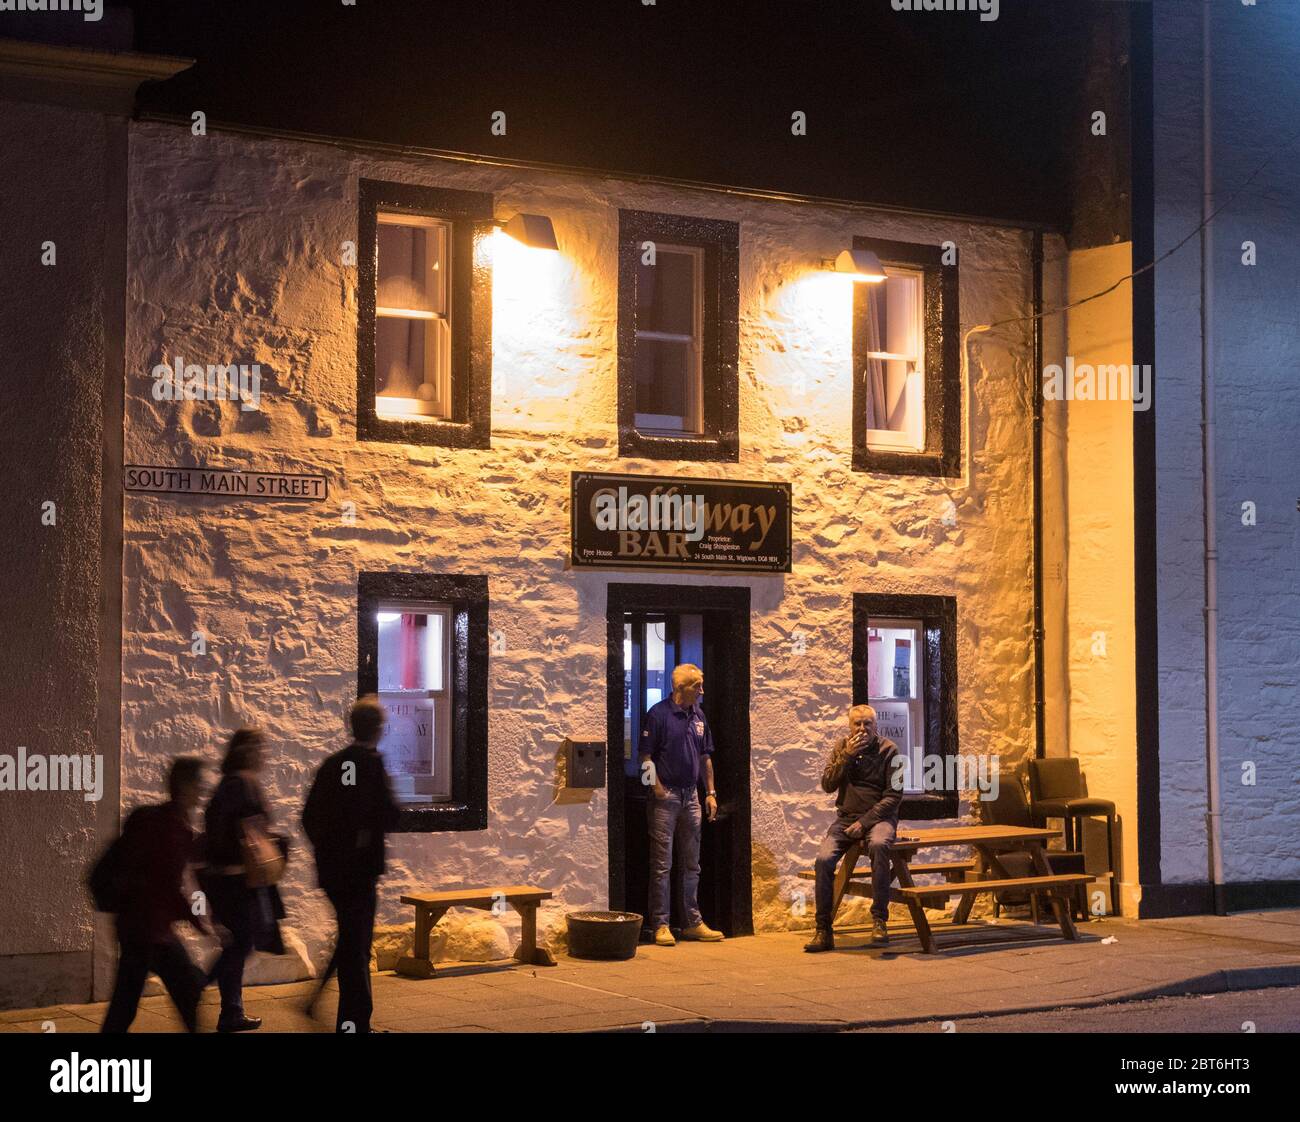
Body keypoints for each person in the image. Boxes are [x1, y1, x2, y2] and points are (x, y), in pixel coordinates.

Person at [301, 695, 400, 1033]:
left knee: (350, 940)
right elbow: (388, 813)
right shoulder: (372, 764)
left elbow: (309, 816)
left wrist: (329, 852)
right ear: (377, 729)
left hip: (334, 872)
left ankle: (318, 1002)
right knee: (356, 948)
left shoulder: (334, 764)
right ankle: (355, 1024)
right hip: (360, 873)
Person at [101, 756, 210, 1033]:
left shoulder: (163, 821)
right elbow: (166, 887)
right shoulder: (172, 828)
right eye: (199, 784)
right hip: (148, 930)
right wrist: (203, 926)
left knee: (175, 992)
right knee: (136, 1002)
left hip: (140, 926)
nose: (202, 792)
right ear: (185, 786)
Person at [200, 726, 286, 1033]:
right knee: (242, 943)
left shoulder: (224, 785)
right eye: (259, 749)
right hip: (241, 879)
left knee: (238, 943)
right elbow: (255, 827)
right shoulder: (245, 783)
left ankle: (231, 1011)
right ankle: (195, 985)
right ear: (247, 751)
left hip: (222, 879)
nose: (263, 755)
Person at [804, 704, 904, 953]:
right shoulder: (841, 748)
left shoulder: (891, 751)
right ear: (849, 727)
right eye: (857, 724)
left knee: (880, 846)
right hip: (846, 819)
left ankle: (879, 920)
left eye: (867, 724)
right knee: (823, 859)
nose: (862, 728)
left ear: (875, 726)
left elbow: (893, 797)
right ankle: (823, 930)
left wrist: (865, 822)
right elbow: (827, 784)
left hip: (879, 819)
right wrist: (846, 757)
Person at [639, 663, 724, 947]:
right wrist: (656, 788)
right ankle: (661, 924)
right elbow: (645, 757)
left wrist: (710, 792)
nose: (702, 690)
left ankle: (692, 922)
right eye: (696, 686)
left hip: (692, 796)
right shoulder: (659, 714)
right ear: (680, 688)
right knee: (662, 864)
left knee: (692, 864)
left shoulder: (698, 715)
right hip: (667, 797)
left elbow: (705, 757)